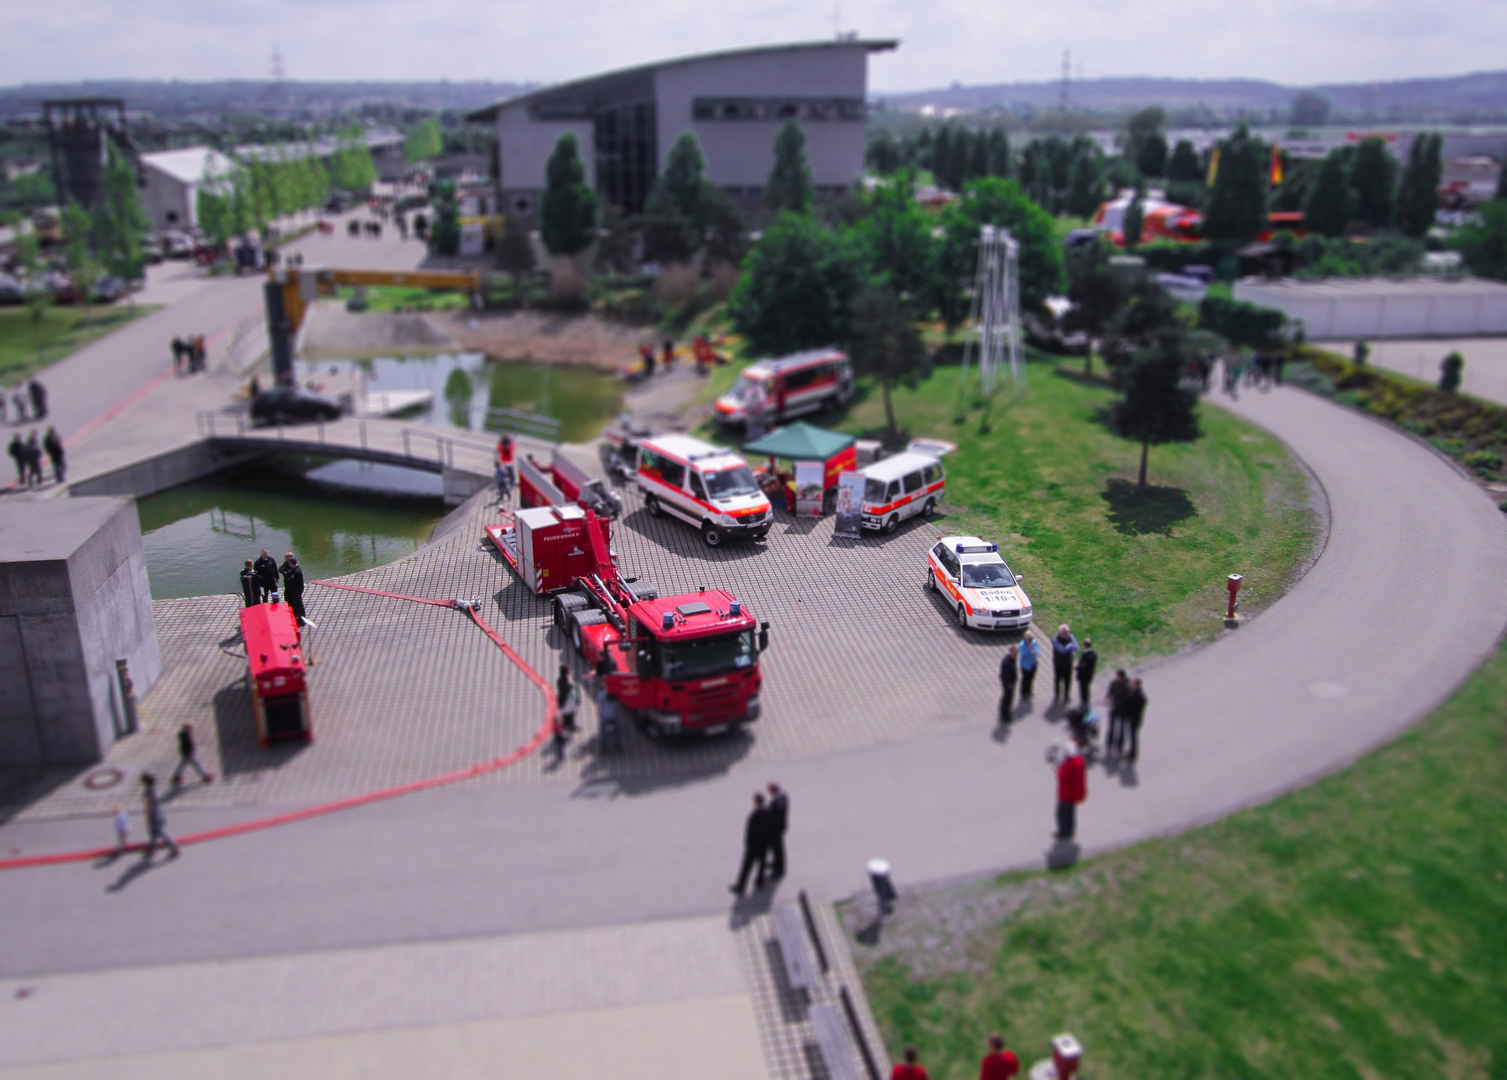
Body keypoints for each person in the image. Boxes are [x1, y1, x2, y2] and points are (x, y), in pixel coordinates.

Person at [730, 792, 773, 896]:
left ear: (757, 802)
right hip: (763, 844)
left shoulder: (755, 815)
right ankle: (760, 881)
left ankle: (741, 886)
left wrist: (748, 843)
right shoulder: (768, 812)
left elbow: (751, 832)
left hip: (753, 846)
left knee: (746, 866)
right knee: (762, 863)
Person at [140, 773, 178, 860]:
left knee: (159, 833)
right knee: (152, 834)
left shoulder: (147, 793)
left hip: (154, 816)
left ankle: (174, 847)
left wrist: (147, 819)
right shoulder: (154, 789)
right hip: (160, 813)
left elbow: (148, 807)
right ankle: (152, 849)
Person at [1055, 742, 1087, 841]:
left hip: (1066, 793)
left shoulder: (1070, 764)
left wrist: (1060, 767)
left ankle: (1064, 832)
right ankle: (1070, 831)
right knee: (1071, 813)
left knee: (1062, 814)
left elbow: (1061, 775)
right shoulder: (1079, 761)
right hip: (1074, 793)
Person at [171, 722, 213, 788]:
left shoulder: (185, 734)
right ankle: (204, 776)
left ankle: (177, 776)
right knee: (197, 764)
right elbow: (188, 744)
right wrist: (192, 750)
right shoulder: (186, 735)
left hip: (186, 752)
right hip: (189, 753)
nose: (192, 729)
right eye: (191, 727)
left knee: (183, 764)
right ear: (188, 728)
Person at [1104, 669, 1130, 758]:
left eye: (1118, 676)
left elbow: (1127, 699)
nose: (1116, 678)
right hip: (1114, 708)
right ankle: (1109, 744)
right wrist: (1107, 699)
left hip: (1123, 709)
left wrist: (1116, 705)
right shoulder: (1114, 683)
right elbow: (1110, 693)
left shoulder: (1127, 686)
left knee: (1121, 729)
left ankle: (1119, 747)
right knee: (1111, 727)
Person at [766, 781, 789, 880]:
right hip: (777, 827)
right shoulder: (782, 796)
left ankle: (779, 870)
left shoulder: (779, 800)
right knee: (775, 848)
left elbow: (776, 814)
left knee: (778, 849)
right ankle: (776, 863)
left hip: (776, 828)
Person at [1122, 677, 1148, 762]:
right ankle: (1131, 753)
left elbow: (1134, 705)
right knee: (1132, 736)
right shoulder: (1134, 692)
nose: (1130, 684)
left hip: (1135, 718)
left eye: (1132, 683)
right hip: (1132, 717)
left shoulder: (1139, 695)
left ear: (1136, 684)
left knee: (1133, 737)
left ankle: (1132, 754)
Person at [1051, 624, 1079, 702]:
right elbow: (1062, 651)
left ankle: (1066, 696)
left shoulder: (1071, 636)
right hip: (1058, 663)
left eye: (1067, 632)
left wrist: (1068, 647)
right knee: (1058, 679)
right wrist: (1070, 646)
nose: (1067, 634)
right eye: (1065, 632)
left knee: (1068, 679)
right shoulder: (1056, 640)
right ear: (1061, 632)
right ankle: (1057, 696)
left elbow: (1077, 647)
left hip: (1068, 662)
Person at [279, 553, 306, 626]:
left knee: (298, 603)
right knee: (289, 601)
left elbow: (291, 578)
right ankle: (291, 615)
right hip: (290, 588)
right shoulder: (291, 567)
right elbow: (281, 569)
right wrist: (285, 572)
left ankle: (300, 618)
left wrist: (287, 574)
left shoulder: (297, 571)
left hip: (296, 590)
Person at [596, 688, 623, 754]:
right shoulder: (615, 692)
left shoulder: (602, 694)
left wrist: (598, 714)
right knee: (617, 732)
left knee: (604, 734)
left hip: (605, 716)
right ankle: (618, 747)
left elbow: (599, 705)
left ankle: (604, 749)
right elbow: (619, 703)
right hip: (614, 715)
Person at [556, 664, 580, 733]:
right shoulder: (561, 680)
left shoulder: (567, 678)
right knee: (567, 715)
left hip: (569, 701)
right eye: (569, 670)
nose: (570, 671)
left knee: (571, 714)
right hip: (565, 701)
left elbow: (575, 683)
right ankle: (567, 726)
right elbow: (564, 689)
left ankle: (571, 725)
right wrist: (570, 686)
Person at [998, 644, 1018, 722]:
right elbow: (1006, 674)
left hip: (1010, 683)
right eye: (1015, 653)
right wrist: (1009, 684)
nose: (1016, 655)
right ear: (1011, 652)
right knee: (1007, 699)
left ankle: (1004, 713)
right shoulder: (1007, 661)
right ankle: (1006, 716)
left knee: (1007, 698)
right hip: (1008, 684)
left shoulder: (1011, 659)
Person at [1076, 636, 1097, 708]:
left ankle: (1084, 703)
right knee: (1086, 689)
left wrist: (1076, 666)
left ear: (1084, 645)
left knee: (1083, 690)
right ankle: (1086, 702)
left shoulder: (1086, 655)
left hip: (1083, 676)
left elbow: (1082, 666)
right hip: (1089, 675)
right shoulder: (1094, 654)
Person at [1018, 633, 1039, 701]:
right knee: (1025, 680)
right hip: (1026, 665)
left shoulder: (1034, 642)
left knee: (1031, 679)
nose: (1030, 641)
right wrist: (1029, 649)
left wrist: (1037, 651)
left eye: (1031, 639)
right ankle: (1024, 693)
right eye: (1029, 639)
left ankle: (1029, 692)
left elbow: (1037, 650)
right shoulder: (1022, 645)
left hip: (1033, 664)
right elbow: (1024, 655)